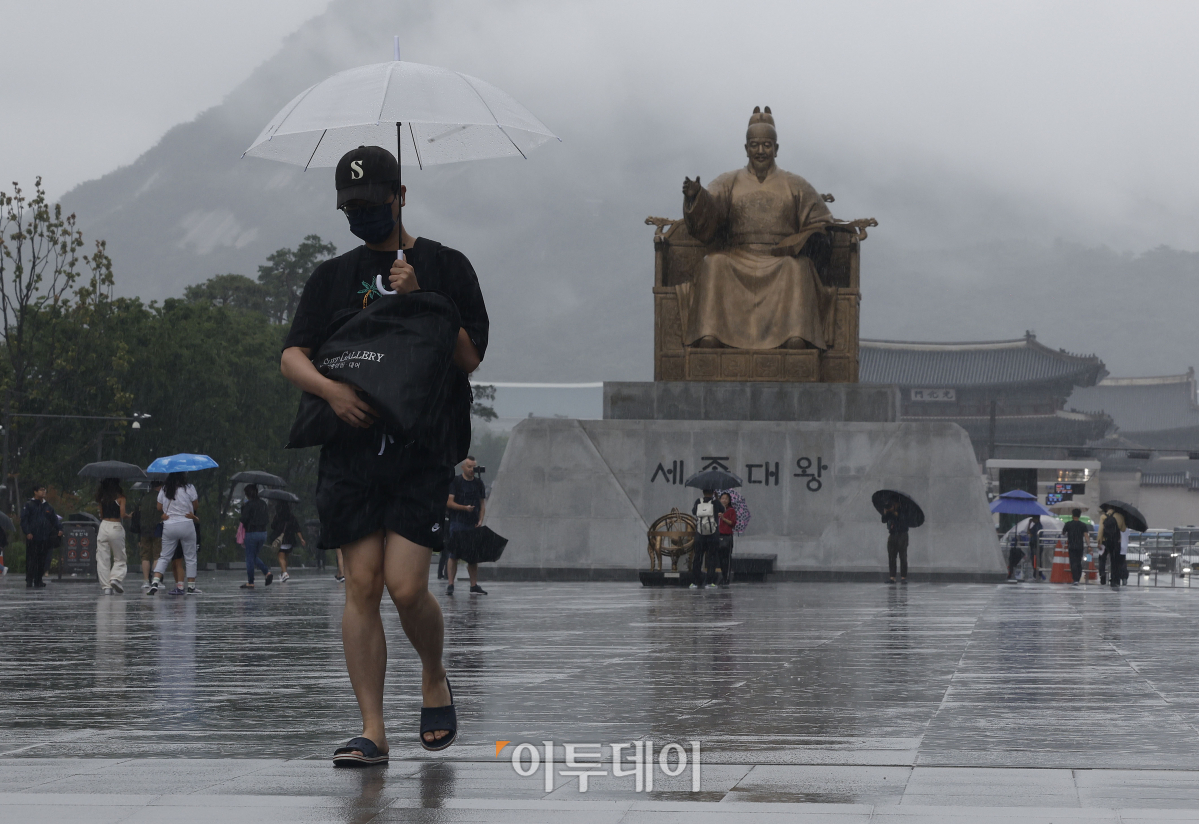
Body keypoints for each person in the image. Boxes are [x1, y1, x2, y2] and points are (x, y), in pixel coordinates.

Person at [279, 145, 488, 763]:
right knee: (362, 584)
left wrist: (423, 296)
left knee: (404, 586)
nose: (361, 216)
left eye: (371, 204)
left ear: (401, 197)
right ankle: (372, 728)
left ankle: (432, 674)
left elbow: (469, 356)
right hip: (351, 451)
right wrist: (331, 391)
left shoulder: (446, 266)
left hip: (419, 450)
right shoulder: (331, 278)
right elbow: (294, 354)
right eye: (350, 207)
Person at [148, 472, 201, 595]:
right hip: (187, 524)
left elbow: (158, 507)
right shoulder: (189, 488)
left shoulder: (165, 489)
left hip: (169, 525)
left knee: (164, 556)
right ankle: (191, 586)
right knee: (190, 557)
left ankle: (155, 581)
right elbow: (196, 505)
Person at [445, 456, 487, 596]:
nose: (471, 470)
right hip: (457, 522)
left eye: (473, 467)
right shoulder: (456, 482)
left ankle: (473, 585)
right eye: (469, 467)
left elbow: (482, 504)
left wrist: (481, 519)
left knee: (473, 557)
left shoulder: (478, 483)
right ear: (463, 467)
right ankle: (450, 584)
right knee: (454, 554)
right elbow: (449, 502)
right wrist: (464, 508)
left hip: (472, 523)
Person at [21, 484, 61, 589]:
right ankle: (29, 580)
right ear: (35, 492)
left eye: (44, 490)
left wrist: (59, 529)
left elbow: (54, 520)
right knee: (31, 560)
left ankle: (38, 580)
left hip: (45, 537)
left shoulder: (48, 506)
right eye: (41, 490)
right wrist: (27, 532)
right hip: (33, 537)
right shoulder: (29, 505)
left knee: (42, 560)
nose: (43, 492)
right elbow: (24, 520)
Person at [95, 478, 128, 595]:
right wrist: (130, 516)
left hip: (103, 526)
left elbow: (102, 514)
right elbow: (122, 514)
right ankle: (116, 578)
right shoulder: (121, 498)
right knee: (120, 557)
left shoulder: (102, 499)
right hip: (115, 526)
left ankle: (106, 587)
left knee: (102, 558)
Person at [239, 484, 272, 589]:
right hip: (263, 533)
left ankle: (251, 582)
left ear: (247, 494)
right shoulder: (263, 504)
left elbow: (243, 519)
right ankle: (267, 573)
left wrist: (243, 508)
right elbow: (267, 519)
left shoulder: (248, 505)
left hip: (251, 533)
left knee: (250, 557)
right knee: (253, 556)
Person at [690, 489, 724, 588]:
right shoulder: (715, 502)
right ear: (713, 492)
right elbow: (723, 510)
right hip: (712, 535)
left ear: (703, 492)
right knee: (711, 558)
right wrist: (716, 498)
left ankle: (695, 582)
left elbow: (694, 511)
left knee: (698, 557)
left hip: (700, 535)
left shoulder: (698, 501)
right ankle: (710, 582)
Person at [269, 500, 306, 582]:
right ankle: (283, 573)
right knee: (285, 558)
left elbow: (273, 526)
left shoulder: (278, 516)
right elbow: (297, 529)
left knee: (280, 557)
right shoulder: (292, 517)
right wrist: (301, 539)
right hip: (290, 540)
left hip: (281, 540)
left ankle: (285, 573)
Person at [1098, 507, 1126, 589]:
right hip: (1116, 542)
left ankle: (1102, 573)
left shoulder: (1103, 516)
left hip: (1105, 541)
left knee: (1102, 559)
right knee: (1114, 561)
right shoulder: (1120, 516)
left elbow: (1100, 530)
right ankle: (1114, 580)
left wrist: (1099, 541)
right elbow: (1123, 529)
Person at [882, 499, 908, 584]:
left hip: (902, 534)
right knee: (892, 556)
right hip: (892, 535)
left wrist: (895, 513)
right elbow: (883, 520)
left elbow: (903, 520)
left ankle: (903, 577)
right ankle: (892, 577)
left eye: (892, 504)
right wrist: (886, 512)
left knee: (903, 556)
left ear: (896, 504)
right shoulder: (889, 511)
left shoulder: (903, 509)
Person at [1061, 508, 1091, 585]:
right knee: (1078, 562)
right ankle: (1078, 577)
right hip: (1080, 546)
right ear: (1079, 515)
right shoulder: (1083, 525)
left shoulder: (1068, 524)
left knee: (1073, 562)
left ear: (1072, 515)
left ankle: (1075, 579)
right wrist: (1089, 545)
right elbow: (1086, 536)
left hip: (1071, 545)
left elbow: (1063, 533)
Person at [716, 492, 737, 587]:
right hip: (717, 536)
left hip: (727, 536)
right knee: (720, 559)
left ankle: (726, 578)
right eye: (722, 498)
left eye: (726, 499)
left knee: (727, 559)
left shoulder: (731, 511)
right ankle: (722, 577)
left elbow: (732, 523)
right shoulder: (717, 510)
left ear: (729, 501)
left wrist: (723, 518)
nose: (724, 500)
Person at [1027, 515, 1044, 581]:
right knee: (1037, 560)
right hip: (1036, 545)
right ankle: (1037, 573)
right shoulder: (1037, 525)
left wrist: (1029, 523)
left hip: (1035, 545)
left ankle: (1037, 574)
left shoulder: (1037, 526)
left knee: (1035, 560)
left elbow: (1029, 532)